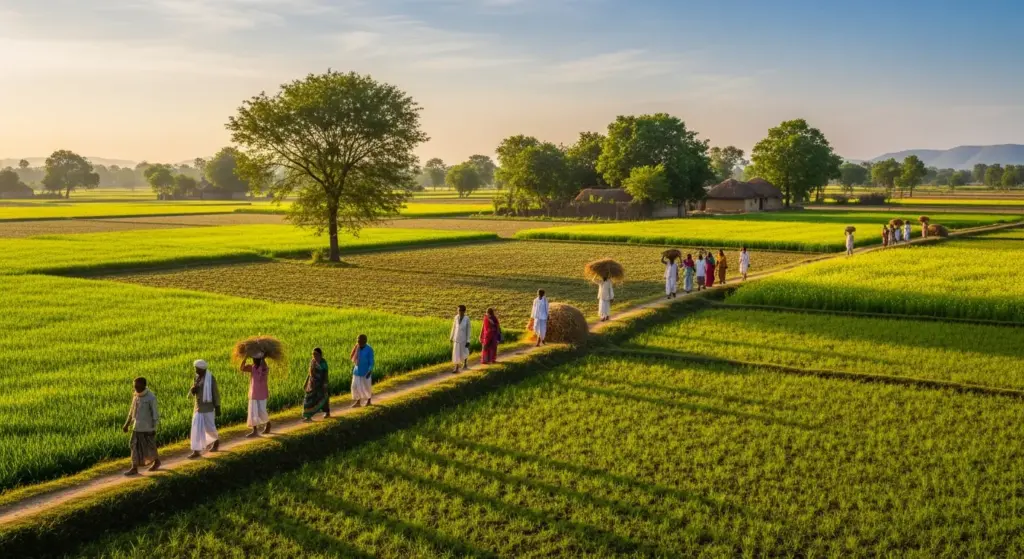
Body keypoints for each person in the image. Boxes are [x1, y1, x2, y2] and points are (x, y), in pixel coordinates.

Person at [122, 377, 160, 476]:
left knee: (150, 446)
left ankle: (156, 461)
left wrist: (154, 428)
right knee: (133, 445)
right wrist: (126, 424)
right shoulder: (136, 396)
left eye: (137, 386)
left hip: (147, 427)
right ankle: (134, 467)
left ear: (144, 385)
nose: (135, 388)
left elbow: (155, 414)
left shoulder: (151, 397)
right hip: (136, 426)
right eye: (134, 386)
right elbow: (131, 412)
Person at [187, 360, 220, 459]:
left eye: (197, 368)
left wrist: (218, 407)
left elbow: (215, 393)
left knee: (210, 427)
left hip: (208, 407)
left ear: (202, 369)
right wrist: (193, 391)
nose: (195, 370)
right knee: (196, 428)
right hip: (198, 407)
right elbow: (195, 390)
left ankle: (216, 441)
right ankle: (196, 451)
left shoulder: (211, 379)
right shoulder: (196, 378)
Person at [239, 353, 270, 437]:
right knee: (253, 412)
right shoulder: (252, 368)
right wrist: (244, 358)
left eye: (256, 360)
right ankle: (255, 430)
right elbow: (242, 368)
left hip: (262, 393)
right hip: (253, 393)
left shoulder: (264, 368)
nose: (254, 361)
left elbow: (264, 368)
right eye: (254, 359)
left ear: (260, 360)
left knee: (262, 411)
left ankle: (268, 424)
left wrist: (263, 359)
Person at [302, 348, 330, 421]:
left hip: (320, 383)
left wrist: (325, 384)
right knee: (308, 399)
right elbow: (309, 373)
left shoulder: (323, 362)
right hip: (311, 384)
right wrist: (305, 382)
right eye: (313, 354)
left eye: (316, 354)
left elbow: (325, 374)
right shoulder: (312, 361)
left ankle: (327, 412)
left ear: (320, 355)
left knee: (323, 398)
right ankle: (308, 416)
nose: (314, 356)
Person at [350, 335, 374, 407]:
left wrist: (370, 370)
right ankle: (358, 402)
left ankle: (369, 401)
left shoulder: (369, 349)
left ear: (365, 342)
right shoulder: (357, 348)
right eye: (358, 341)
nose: (359, 343)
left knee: (366, 387)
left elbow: (371, 361)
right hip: (357, 371)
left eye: (360, 341)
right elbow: (353, 357)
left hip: (366, 371)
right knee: (355, 386)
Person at [450, 305, 471, 373]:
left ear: (464, 311)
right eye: (458, 310)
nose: (459, 312)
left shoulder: (467, 319)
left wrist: (468, 340)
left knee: (464, 352)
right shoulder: (456, 317)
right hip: (456, 338)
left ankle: (465, 363)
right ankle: (456, 367)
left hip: (463, 339)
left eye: (461, 310)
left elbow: (468, 330)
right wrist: (451, 336)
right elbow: (453, 327)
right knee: (456, 353)